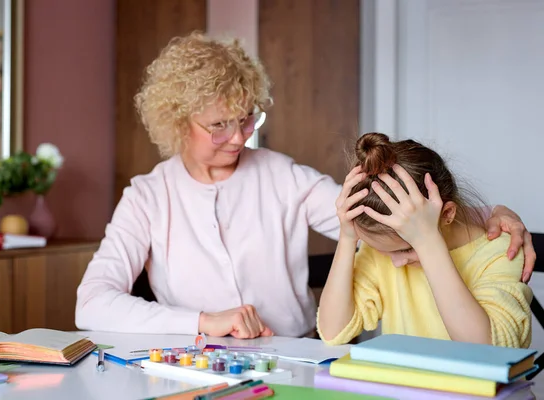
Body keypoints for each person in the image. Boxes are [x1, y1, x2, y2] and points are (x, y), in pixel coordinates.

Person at [75, 32, 536, 339]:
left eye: (246, 119)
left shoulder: (282, 176)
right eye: (218, 124)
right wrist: (201, 321)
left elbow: (377, 214)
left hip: (296, 352)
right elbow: (92, 304)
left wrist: (491, 214)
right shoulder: (148, 197)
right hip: (197, 362)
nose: (238, 138)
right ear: (177, 121)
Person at [318, 133, 532, 348]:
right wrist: (347, 237)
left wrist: (429, 244)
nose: (396, 262)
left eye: (406, 249)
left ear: (447, 214)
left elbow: (488, 351)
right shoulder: (380, 251)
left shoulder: (500, 251)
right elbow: (333, 332)